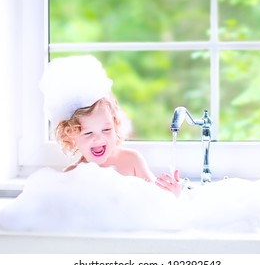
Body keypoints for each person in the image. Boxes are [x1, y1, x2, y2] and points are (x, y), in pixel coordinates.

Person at [40, 55, 182, 196]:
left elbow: (157, 200)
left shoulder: (132, 160)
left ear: (116, 126)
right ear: (71, 136)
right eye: (88, 133)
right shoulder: (72, 175)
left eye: (106, 129)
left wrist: (173, 193)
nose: (98, 138)